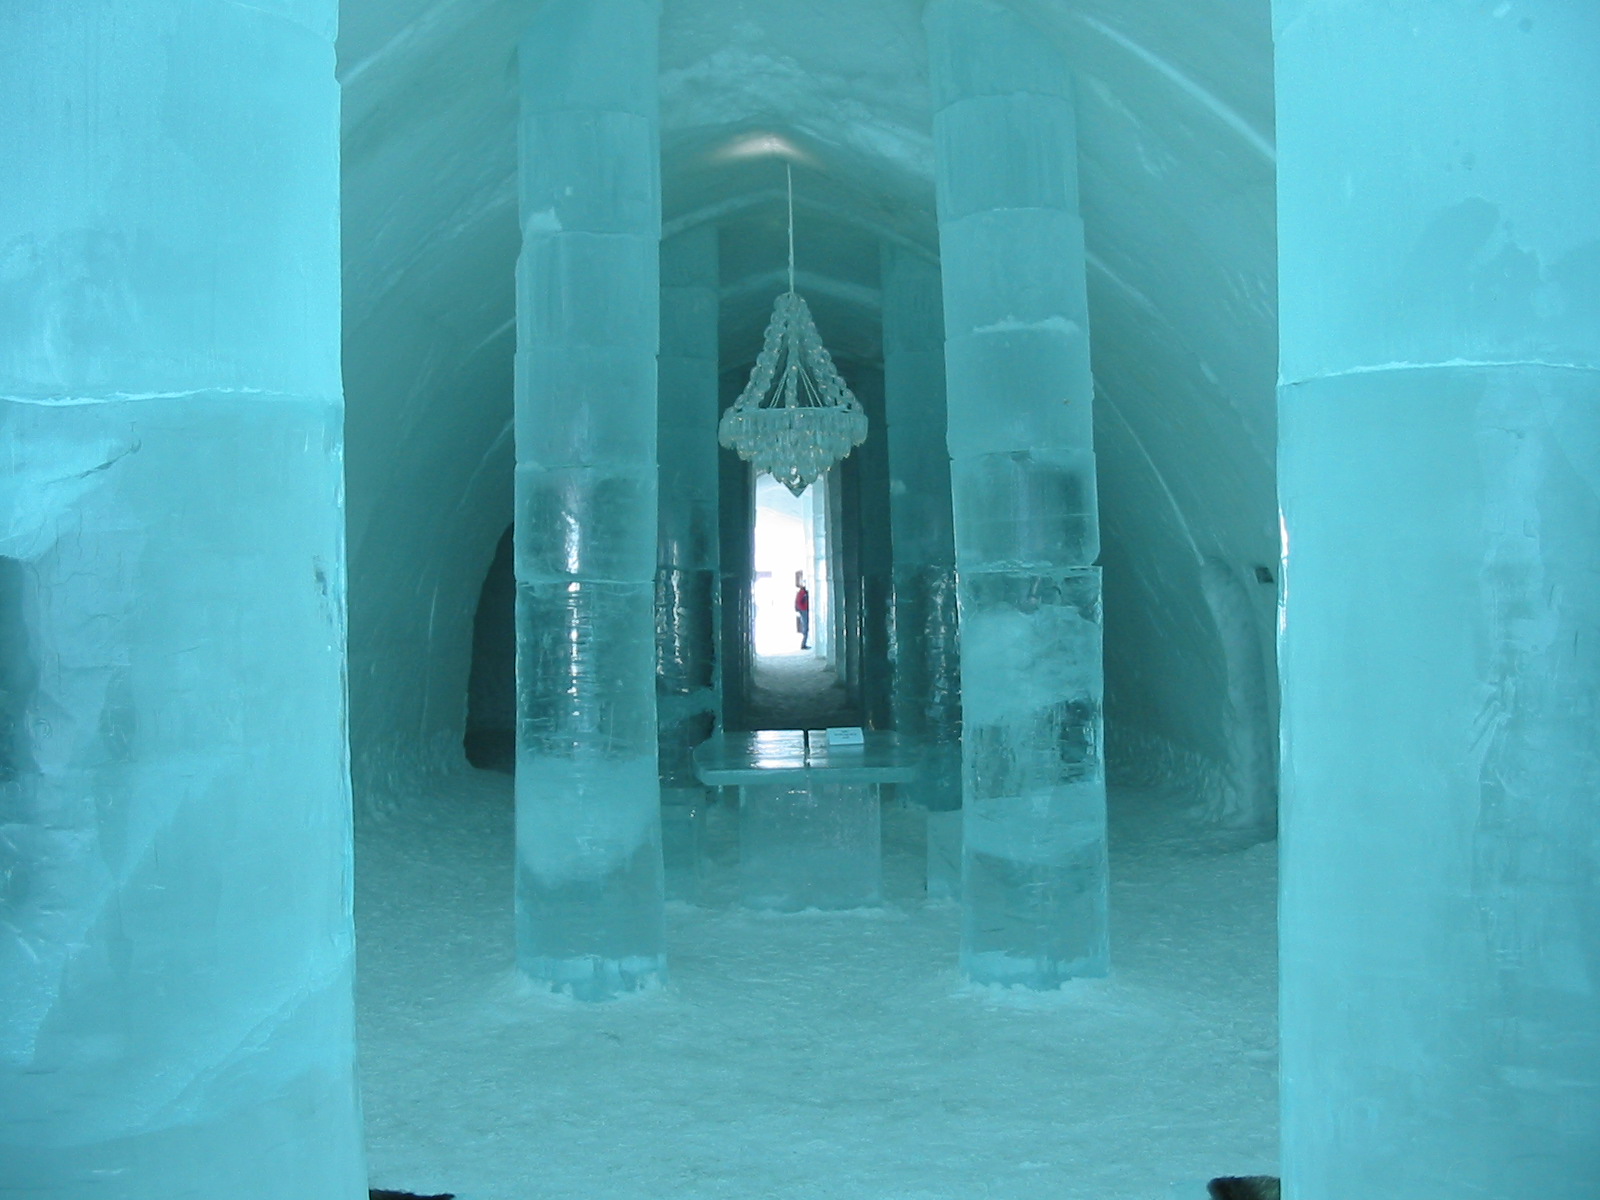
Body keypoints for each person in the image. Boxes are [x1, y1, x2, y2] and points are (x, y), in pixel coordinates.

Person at [794, 576, 810, 650]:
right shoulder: (803, 593)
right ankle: (803, 644)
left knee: (805, 627)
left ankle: (804, 643)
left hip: (802, 610)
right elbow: (802, 602)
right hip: (804, 610)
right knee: (806, 628)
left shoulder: (800, 593)